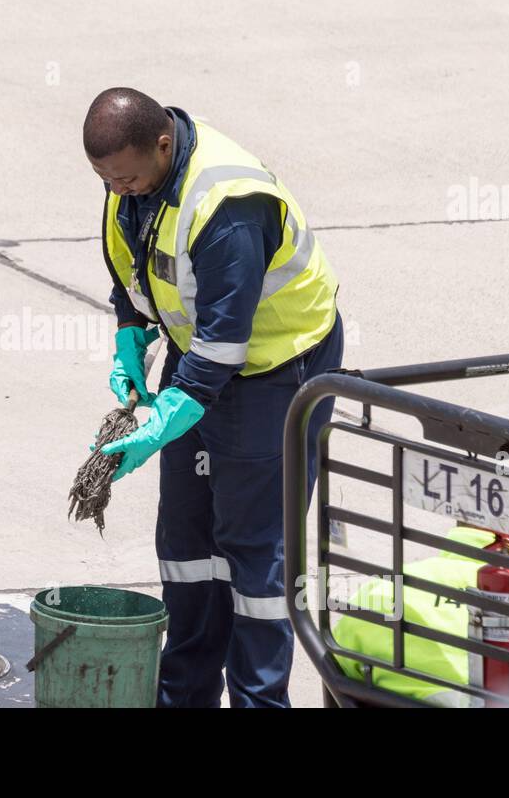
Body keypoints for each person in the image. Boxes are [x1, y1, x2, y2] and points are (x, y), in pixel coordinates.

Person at [84, 87, 344, 707]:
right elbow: (136, 266)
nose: (117, 188)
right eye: (105, 179)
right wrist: (130, 333)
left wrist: (166, 417)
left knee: (254, 549)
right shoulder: (134, 180)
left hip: (276, 371)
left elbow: (228, 344)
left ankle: (258, 701)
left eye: (125, 176)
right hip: (200, 353)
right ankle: (186, 696)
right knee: (187, 542)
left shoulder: (227, 206)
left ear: (164, 145)